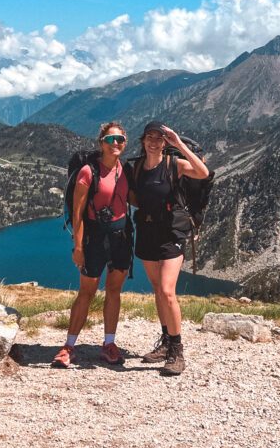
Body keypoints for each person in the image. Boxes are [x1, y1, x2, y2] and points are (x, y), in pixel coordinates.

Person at [130, 121, 209, 375]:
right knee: (157, 289)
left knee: (167, 290)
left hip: (170, 233)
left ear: (165, 143)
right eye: (150, 137)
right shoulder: (137, 167)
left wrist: (179, 144)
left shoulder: (175, 165)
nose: (154, 142)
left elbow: (203, 173)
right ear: (143, 140)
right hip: (146, 232)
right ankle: (165, 342)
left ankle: (177, 350)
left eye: (159, 138)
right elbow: (134, 197)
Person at [52, 121, 133, 368]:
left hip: (121, 236)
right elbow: (77, 214)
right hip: (94, 238)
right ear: (101, 143)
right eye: (110, 139)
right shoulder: (88, 172)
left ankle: (109, 344)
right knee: (86, 292)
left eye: (120, 139)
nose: (115, 143)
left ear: (125, 143)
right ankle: (69, 346)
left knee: (114, 291)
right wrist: (78, 248)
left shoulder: (126, 170)